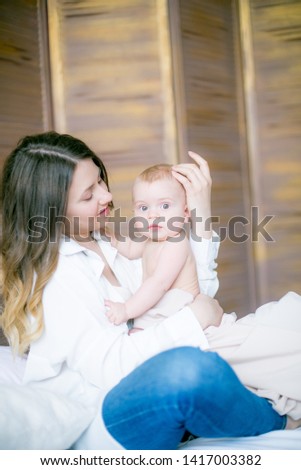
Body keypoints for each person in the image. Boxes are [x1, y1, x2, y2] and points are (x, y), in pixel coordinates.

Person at [0, 131, 294, 451]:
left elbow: (187, 293)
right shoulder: (56, 277)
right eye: (88, 195)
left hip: (155, 358)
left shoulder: (108, 240)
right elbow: (115, 368)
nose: (106, 196)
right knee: (190, 370)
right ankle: (279, 418)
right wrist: (195, 317)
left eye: (100, 180)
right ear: (53, 210)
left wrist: (199, 212)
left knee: (286, 317)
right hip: (105, 411)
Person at [105, 162, 200, 329]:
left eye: (164, 206)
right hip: (161, 306)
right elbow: (129, 249)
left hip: (179, 308)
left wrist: (126, 310)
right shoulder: (149, 240)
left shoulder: (176, 243)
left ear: (185, 213)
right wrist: (109, 237)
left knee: (140, 331)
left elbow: (159, 283)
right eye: (143, 207)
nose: (152, 215)